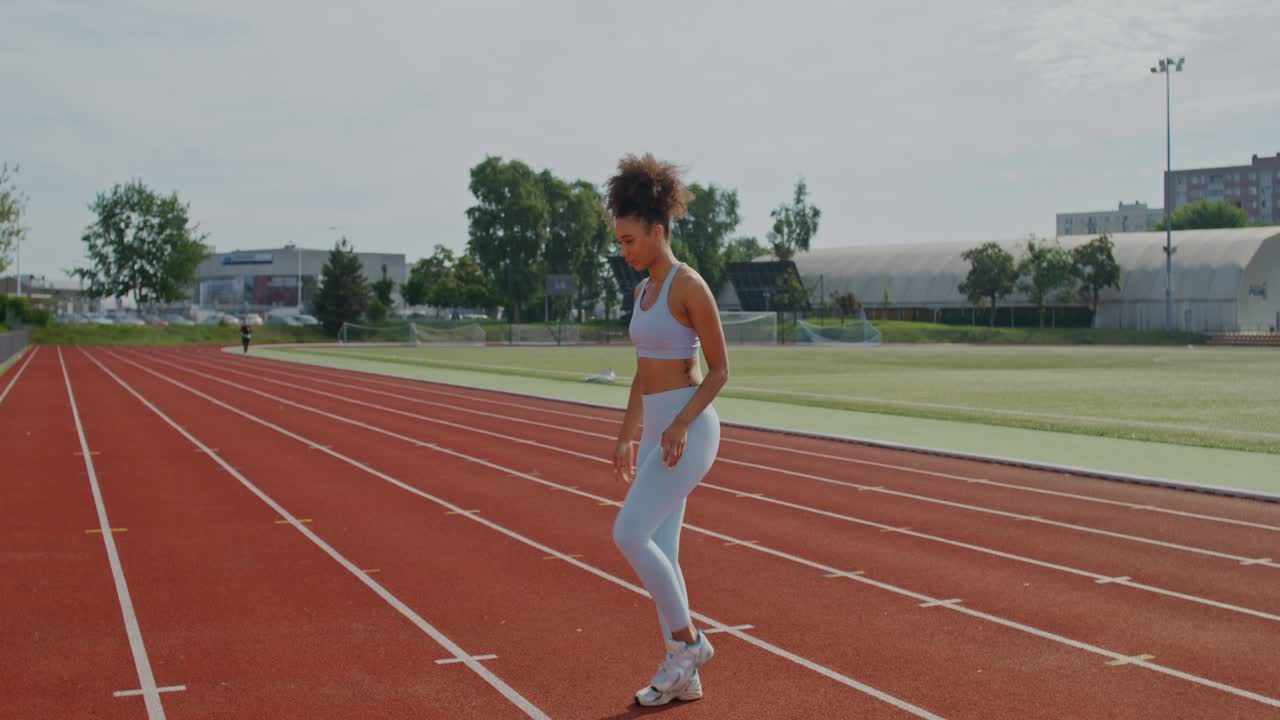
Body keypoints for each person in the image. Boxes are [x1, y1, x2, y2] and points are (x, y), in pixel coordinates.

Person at [606, 153, 729, 707]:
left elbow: (721, 370)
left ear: (658, 231)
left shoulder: (689, 286)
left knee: (629, 533)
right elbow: (643, 371)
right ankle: (686, 676)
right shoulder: (642, 293)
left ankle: (690, 644)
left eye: (630, 240)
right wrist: (627, 434)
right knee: (661, 547)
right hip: (660, 429)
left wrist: (679, 424)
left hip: (691, 429)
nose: (624, 251)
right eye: (620, 241)